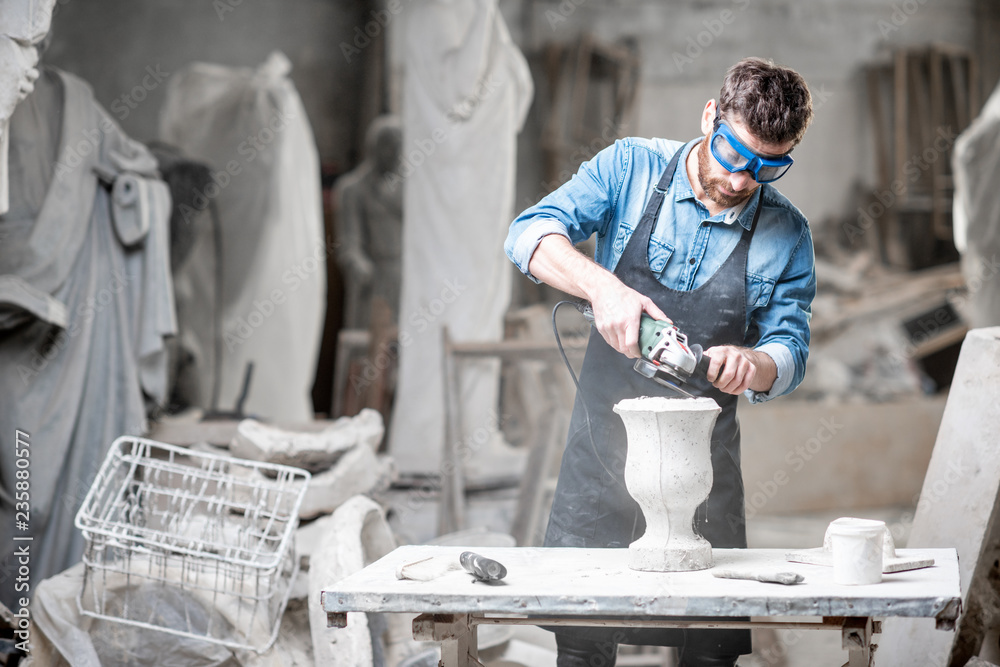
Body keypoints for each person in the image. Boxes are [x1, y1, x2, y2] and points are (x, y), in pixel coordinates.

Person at [504, 57, 816, 667]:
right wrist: (605, 290)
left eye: (767, 166)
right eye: (733, 153)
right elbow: (529, 232)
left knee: (708, 647)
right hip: (600, 459)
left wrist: (755, 365)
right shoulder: (631, 167)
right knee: (584, 644)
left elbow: (792, 347)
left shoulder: (787, 233)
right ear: (709, 116)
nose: (742, 179)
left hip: (703, 477)